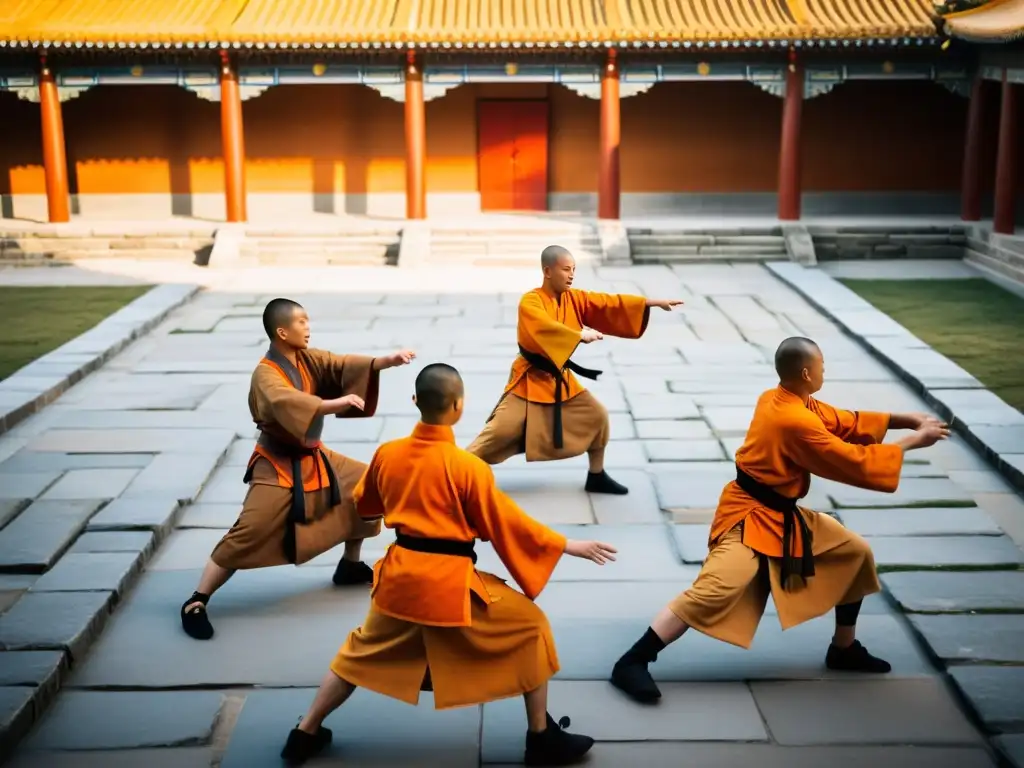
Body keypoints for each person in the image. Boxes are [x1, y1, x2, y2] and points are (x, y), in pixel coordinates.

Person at [280, 363, 618, 766]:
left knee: (358, 653)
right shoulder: (468, 468)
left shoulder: (388, 453)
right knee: (532, 629)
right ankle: (540, 737)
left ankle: (306, 731)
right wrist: (566, 544)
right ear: (458, 406)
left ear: (415, 402)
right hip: (449, 585)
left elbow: (367, 505)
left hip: (399, 581)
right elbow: (504, 522)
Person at [609, 337, 951, 703]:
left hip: (783, 514)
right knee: (718, 587)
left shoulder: (784, 398)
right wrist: (916, 439)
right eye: (821, 366)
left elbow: (843, 420)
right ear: (806, 372)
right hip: (750, 514)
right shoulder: (792, 418)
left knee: (854, 553)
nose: (824, 372)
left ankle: (844, 648)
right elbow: (853, 459)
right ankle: (632, 661)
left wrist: (906, 419)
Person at [179, 298, 415, 641]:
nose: (308, 327)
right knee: (250, 529)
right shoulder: (266, 374)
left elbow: (339, 365)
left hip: (314, 456)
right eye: (301, 322)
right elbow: (285, 402)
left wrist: (385, 361)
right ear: (281, 331)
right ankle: (197, 599)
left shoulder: (306, 358)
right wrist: (335, 404)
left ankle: (350, 564)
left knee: (368, 485)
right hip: (277, 462)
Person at [466, 244, 682, 495]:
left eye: (574, 270)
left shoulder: (573, 298)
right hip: (529, 380)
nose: (571, 275)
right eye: (566, 269)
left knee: (597, 416)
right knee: (495, 436)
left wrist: (650, 303)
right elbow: (543, 326)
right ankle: (446, 472)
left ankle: (596, 475)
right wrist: (577, 335)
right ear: (547, 271)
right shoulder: (530, 301)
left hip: (560, 379)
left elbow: (606, 303)